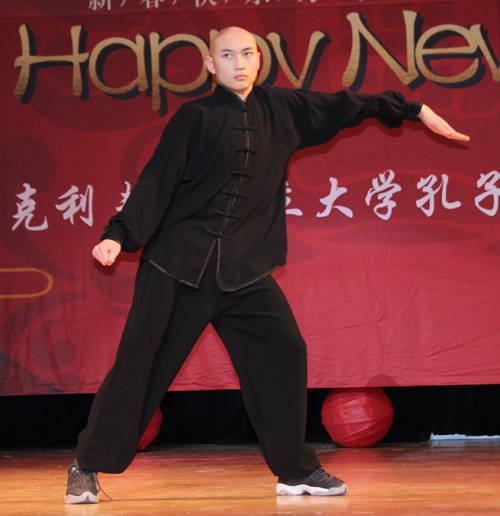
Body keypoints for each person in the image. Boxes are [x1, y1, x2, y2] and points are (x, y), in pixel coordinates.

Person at [64, 26, 469, 504]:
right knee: (141, 366)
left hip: (244, 269)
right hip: (178, 266)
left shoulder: (282, 110)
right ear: (211, 66)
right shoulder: (195, 116)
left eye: (248, 53)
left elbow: (344, 107)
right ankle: (86, 466)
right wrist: (118, 234)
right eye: (228, 55)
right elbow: (157, 181)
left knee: (284, 351)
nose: (239, 62)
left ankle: (295, 470)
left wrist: (413, 109)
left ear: (260, 60)